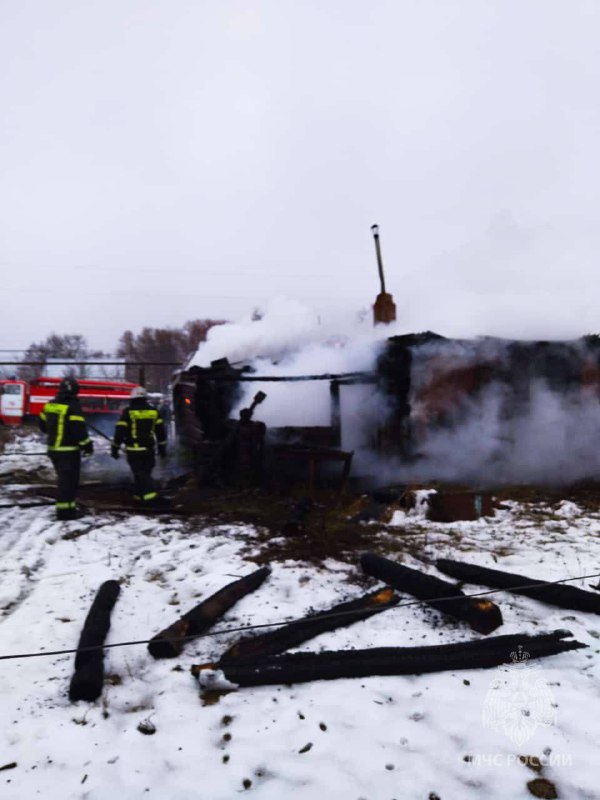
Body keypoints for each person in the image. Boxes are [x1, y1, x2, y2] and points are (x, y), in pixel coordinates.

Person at [39, 377, 93, 520]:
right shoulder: (73, 407)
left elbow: (43, 426)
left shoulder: (50, 405)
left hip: (54, 451)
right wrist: (87, 446)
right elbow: (79, 431)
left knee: (65, 481)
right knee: (68, 483)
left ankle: (69, 509)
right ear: (75, 391)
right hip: (68, 452)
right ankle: (64, 513)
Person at [111, 386, 167, 505]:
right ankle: (139, 497)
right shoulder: (153, 411)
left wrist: (115, 448)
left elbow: (120, 431)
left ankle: (150, 499)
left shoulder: (128, 412)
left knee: (140, 474)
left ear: (133, 398)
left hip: (134, 451)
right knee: (144, 472)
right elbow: (161, 432)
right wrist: (162, 448)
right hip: (149, 450)